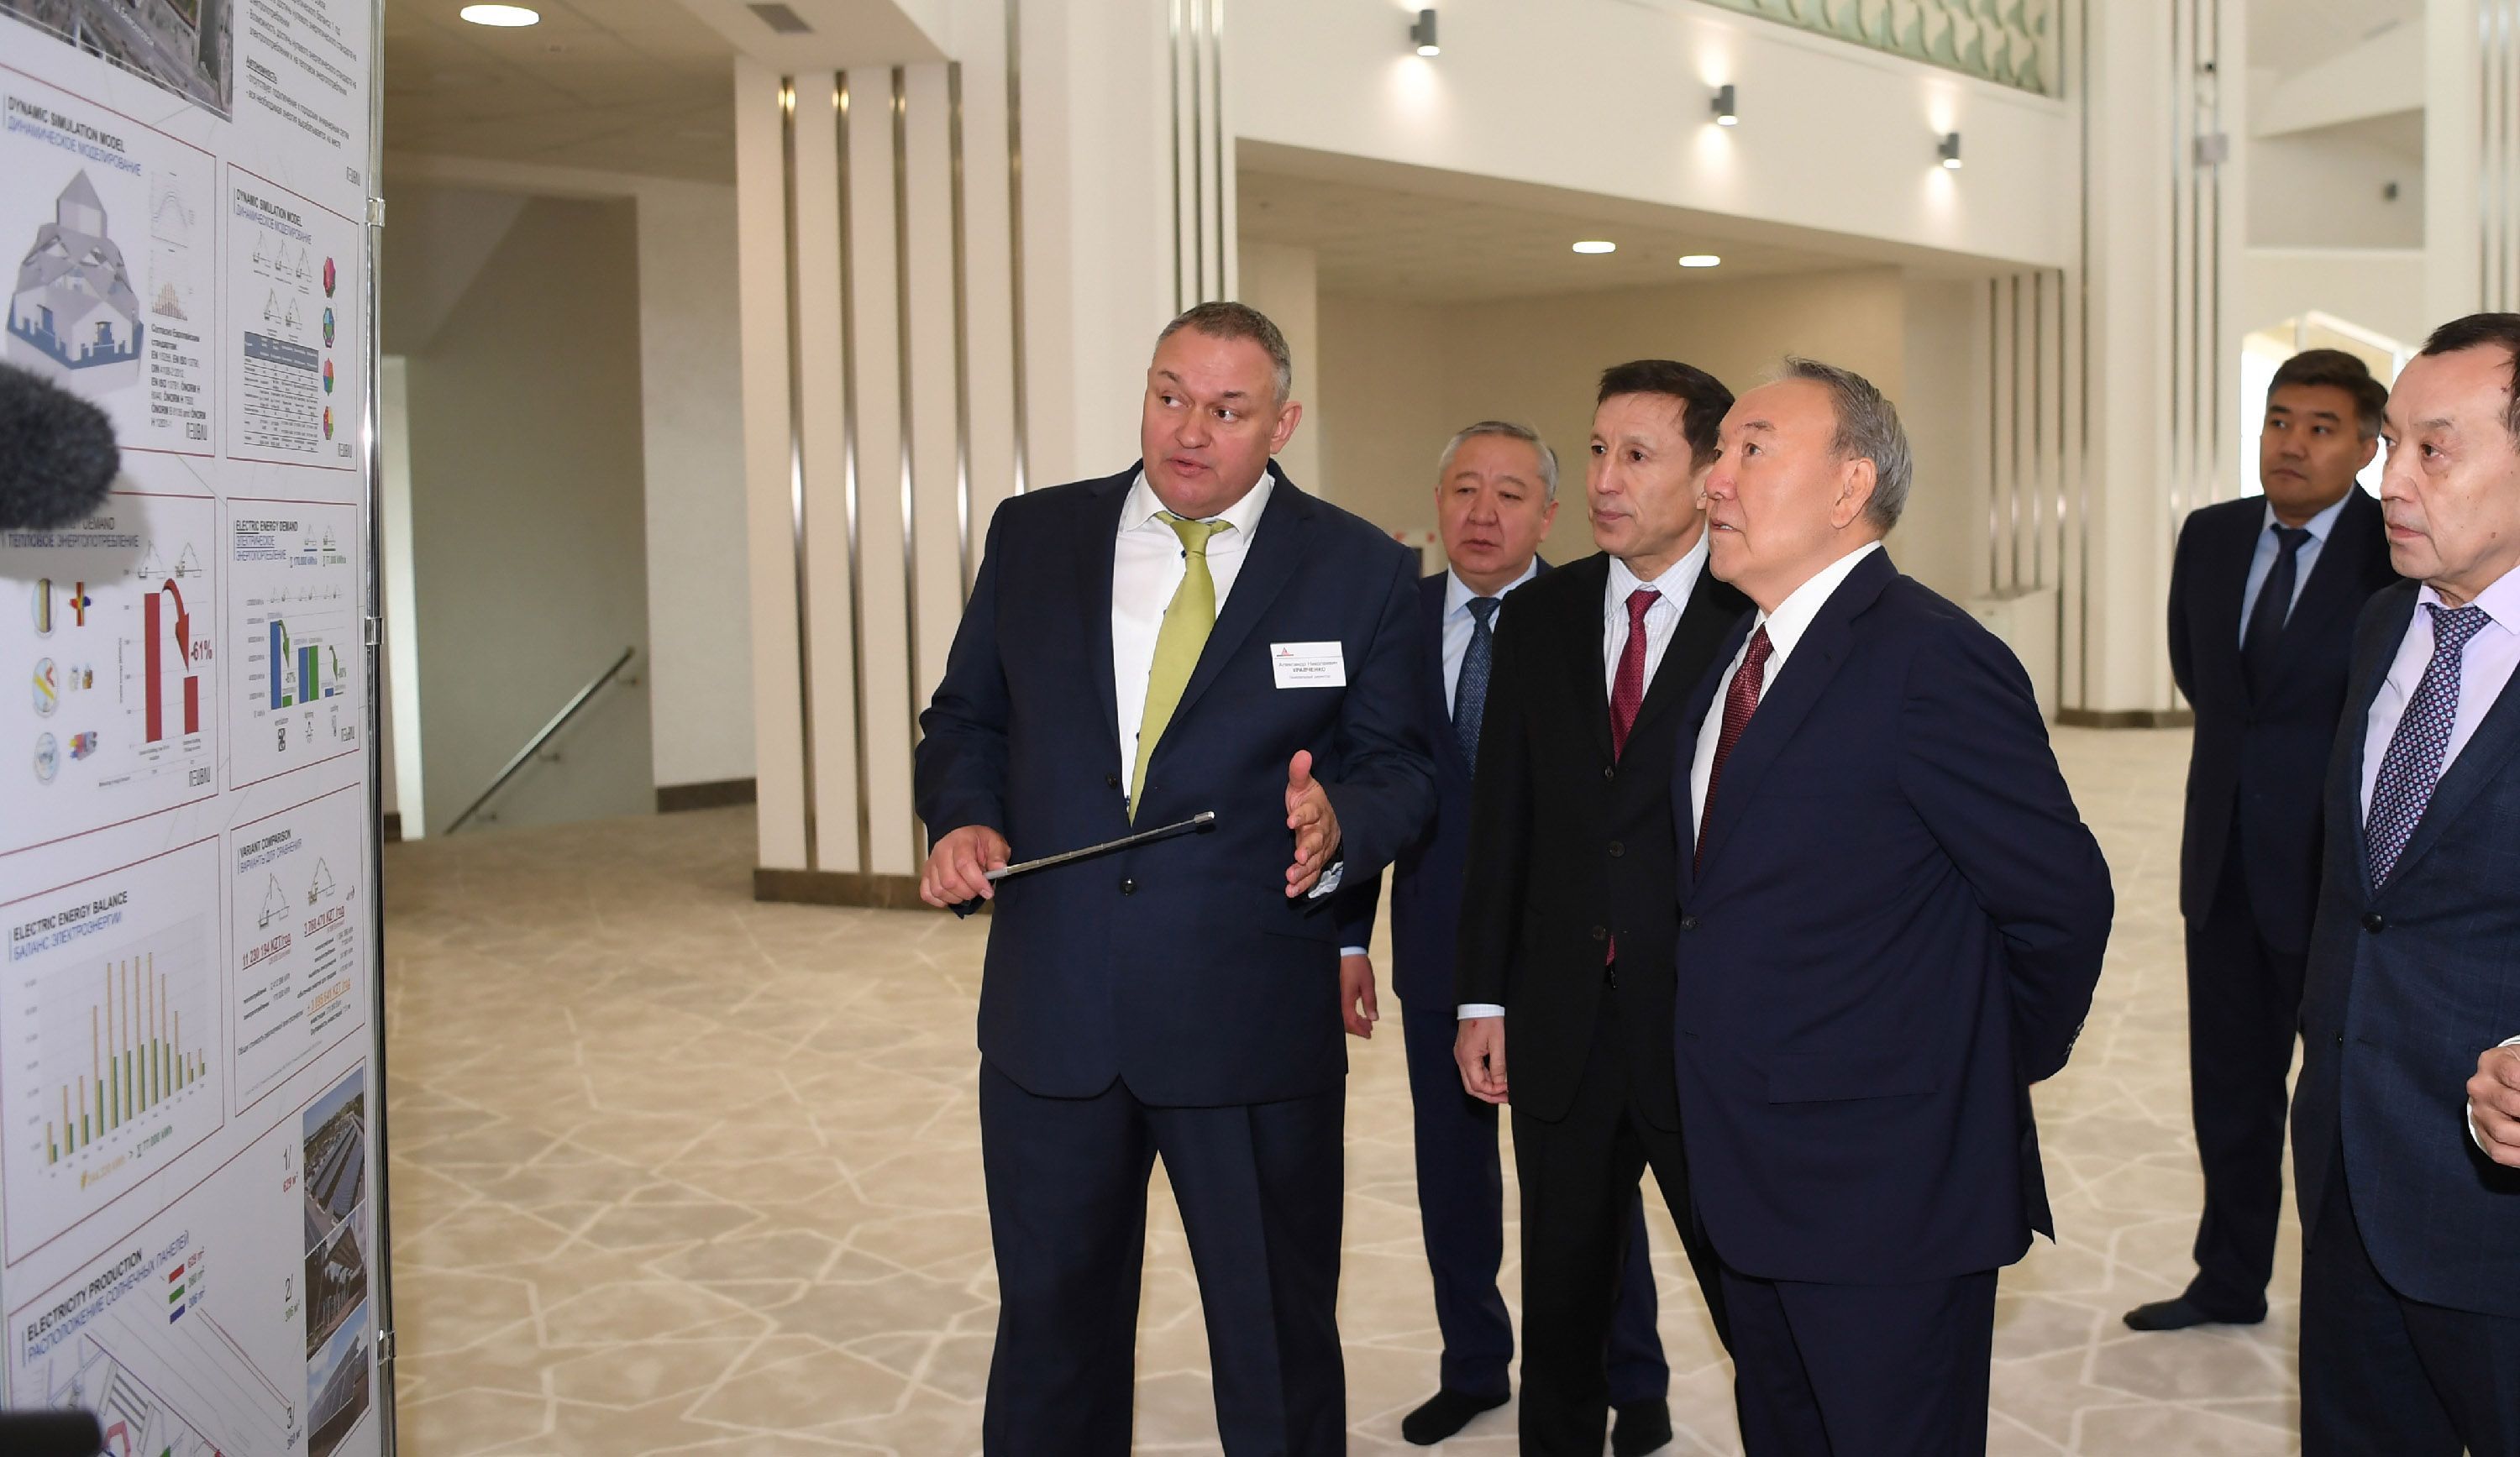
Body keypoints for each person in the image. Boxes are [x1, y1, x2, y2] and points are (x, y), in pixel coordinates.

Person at [913, 301, 1437, 1456]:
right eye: (1169, 396)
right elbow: (966, 720)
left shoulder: (1358, 566)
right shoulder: (1036, 534)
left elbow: (1403, 767)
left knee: (1272, 1343)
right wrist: (964, 814)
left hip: (1247, 1016)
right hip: (1057, 1010)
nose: (1189, 430)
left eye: (1227, 409)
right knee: (1050, 1337)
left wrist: (1341, 819)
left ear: (1283, 424)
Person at [1674, 359, 2113, 1455]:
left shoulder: (1930, 656)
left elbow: (2061, 902)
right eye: (1718, 452)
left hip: (1886, 1186)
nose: (1714, 479)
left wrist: (1969, 1064)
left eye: (1752, 449)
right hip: (1749, 1165)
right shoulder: (1744, 649)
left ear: (1849, 485)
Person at [1334, 422, 1671, 1447]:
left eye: (1511, 494)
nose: (1484, 514)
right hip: (1442, 943)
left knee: (1593, 1183)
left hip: (1575, 955)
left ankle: (1633, 1378)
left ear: (1550, 514)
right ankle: (1474, 1364)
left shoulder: (1596, 615)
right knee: (1454, 1177)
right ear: (1437, 502)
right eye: (1465, 490)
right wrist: (1348, 935)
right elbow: (1363, 777)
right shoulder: (1395, 619)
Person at [1452, 361, 1751, 1457]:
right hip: (1563, 1020)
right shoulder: (1542, 615)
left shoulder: (1754, 616)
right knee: (1564, 1308)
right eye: (1595, 450)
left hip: (1704, 1025)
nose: (1605, 479)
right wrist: (1482, 996)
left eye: (1636, 455)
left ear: (1709, 474)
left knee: (1752, 1297)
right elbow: (1503, 820)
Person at [2132, 349, 2399, 1333]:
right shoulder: (2211, 535)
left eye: (2322, 428)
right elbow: (2202, 676)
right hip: (2224, 865)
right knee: (2231, 1090)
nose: (2293, 443)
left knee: (2338, 1101)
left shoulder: (2392, 548)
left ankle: (2350, 1304)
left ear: (2366, 448)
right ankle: (2228, 1278)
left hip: (2340, 877)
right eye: (2280, 420)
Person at [2292, 312, 2520, 1456]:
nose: (2392, 480)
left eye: (2436, 449)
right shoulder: (2384, 623)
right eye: (2391, 445)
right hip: (2349, 1169)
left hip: (2500, 1207)